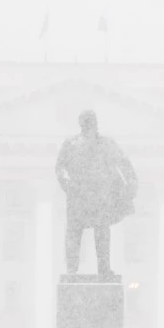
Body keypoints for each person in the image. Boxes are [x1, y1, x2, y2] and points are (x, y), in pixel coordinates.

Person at [55, 110, 138, 276]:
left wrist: (131, 183)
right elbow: (60, 168)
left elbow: (124, 163)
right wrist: (68, 184)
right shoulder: (71, 144)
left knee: (101, 233)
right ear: (81, 124)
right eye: (86, 122)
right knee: (74, 232)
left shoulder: (106, 144)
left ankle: (104, 268)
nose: (88, 125)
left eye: (90, 121)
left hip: (100, 195)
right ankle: (72, 269)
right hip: (79, 195)